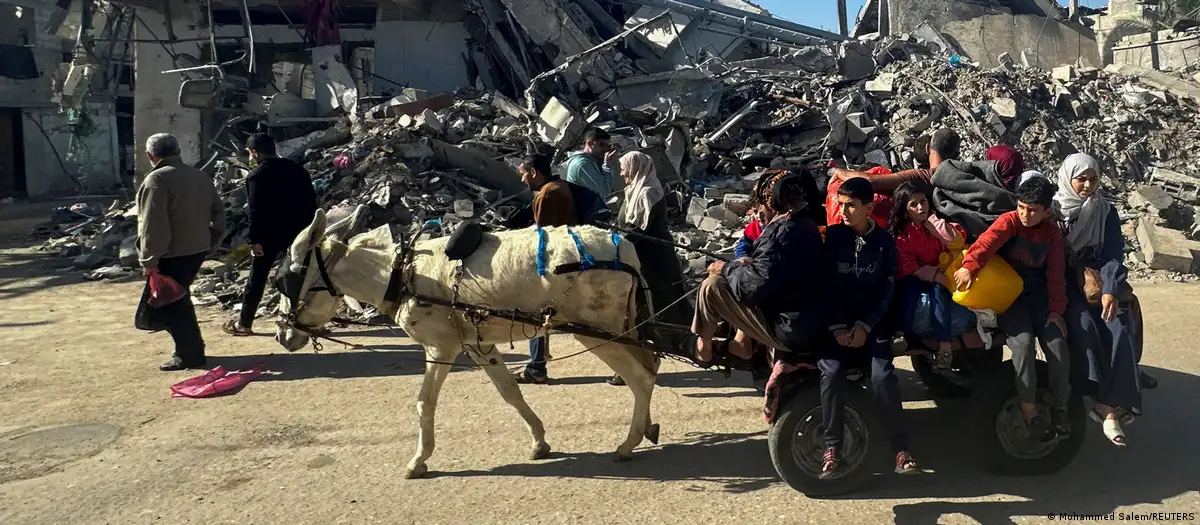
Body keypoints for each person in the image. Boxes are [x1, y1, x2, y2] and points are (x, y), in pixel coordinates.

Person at [953, 176, 1070, 442]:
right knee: (1023, 343)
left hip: (1038, 297)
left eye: (1032, 210)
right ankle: (1028, 406)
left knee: (1057, 344)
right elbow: (986, 243)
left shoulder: (1051, 234)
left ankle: (1061, 408)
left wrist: (1056, 311)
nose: (1025, 214)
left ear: (1046, 211)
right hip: (1010, 297)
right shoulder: (1009, 221)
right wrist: (969, 267)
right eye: (1021, 207)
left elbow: (1056, 275)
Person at [820, 177, 921, 479]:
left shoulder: (883, 243)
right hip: (835, 327)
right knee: (831, 373)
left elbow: (886, 291)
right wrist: (838, 328)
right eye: (841, 205)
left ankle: (901, 451)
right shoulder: (833, 238)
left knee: (882, 376)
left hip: (873, 326)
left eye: (851, 206)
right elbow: (826, 289)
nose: (844, 212)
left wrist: (865, 325)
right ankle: (832, 450)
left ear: (869, 207)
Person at [690, 170, 826, 366]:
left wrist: (725, 268)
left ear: (774, 203)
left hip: (790, 328)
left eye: (761, 202)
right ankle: (739, 341)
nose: (758, 209)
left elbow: (750, 288)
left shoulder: (783, 234)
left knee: (712, 285)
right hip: (802, 318)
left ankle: (704, 350)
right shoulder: (802, 222)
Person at [1055, 153, 1141, 446]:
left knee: (1117, 326)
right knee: (1084, 328)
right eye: (1081, 179)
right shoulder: (1053, 210)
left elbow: (1113, 253)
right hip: (1061, 283)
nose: (1088, 186)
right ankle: (1090, 394)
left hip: (1095, 280)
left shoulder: (1104, 211)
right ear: (1068, 178)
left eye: (1093, 179)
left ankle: (1108, 406)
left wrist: (1109, 288)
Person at [134, 133, 227, 371]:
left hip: (171, 252)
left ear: (150, 156)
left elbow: (154, 224)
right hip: (196, 249)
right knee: (178, 299)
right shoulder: (200, 176)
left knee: (172, 303)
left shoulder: (157, 180)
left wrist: (149, 259)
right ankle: (190, 349)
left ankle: (190, 354)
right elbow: (218, 213)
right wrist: (212, 242)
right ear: (178, 152)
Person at [606, 151, 690, 387]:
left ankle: (649, 360)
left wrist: (615, 244)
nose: (622, 173)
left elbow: (640, 232)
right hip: (637, 260)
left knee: (654, 312)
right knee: (634, 313)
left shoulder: (650, 192)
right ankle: (634, 365)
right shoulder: (633, 190)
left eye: (624, 168)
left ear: (635, 168)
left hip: (655, 263)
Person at [223, 133, 318, 336]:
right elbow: (311, 203)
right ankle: (310, 321)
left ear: (255, 153)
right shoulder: (297, 170)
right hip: (299, 233)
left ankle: (245, 324)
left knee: (257, 279)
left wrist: (254, 240)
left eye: (249, 153)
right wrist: (311, 232)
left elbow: (255, 211)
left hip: (269, 236)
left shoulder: (257, 175)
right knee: (303, 276)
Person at [513, 152, 582, 384]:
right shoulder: (559, 186)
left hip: (553, 262)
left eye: (523, 175)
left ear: (533, 172)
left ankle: (536, 367)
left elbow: (543, 236)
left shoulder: (547, 194)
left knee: (536, 310)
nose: (522, 180)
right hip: (567, 256)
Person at [889, 180, 968, 369]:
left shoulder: (937, 223)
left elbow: (956, 240)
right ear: (904, 210)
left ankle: (945, 345)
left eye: (923, 201)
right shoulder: (903, 235)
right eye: (913, 204)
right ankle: (900, 334)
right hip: (914, 275)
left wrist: (935, 224)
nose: (920, 207)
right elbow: (906, 265)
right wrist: (931, 274)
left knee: (939, 295)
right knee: (909, 292)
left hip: (940, 273)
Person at [828, 128, 961, 195]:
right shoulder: (965, 172)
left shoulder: (924, 177)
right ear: (957, 154)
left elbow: (870, 182)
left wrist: (839, 172)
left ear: (927, 148)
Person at [565, 127, 619, 198]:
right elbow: (605, 190)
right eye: (601, 145)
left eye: (608, 146)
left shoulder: (592, 161)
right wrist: (608, 165)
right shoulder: (582, 164)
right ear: (589, 144)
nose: (605, 149)